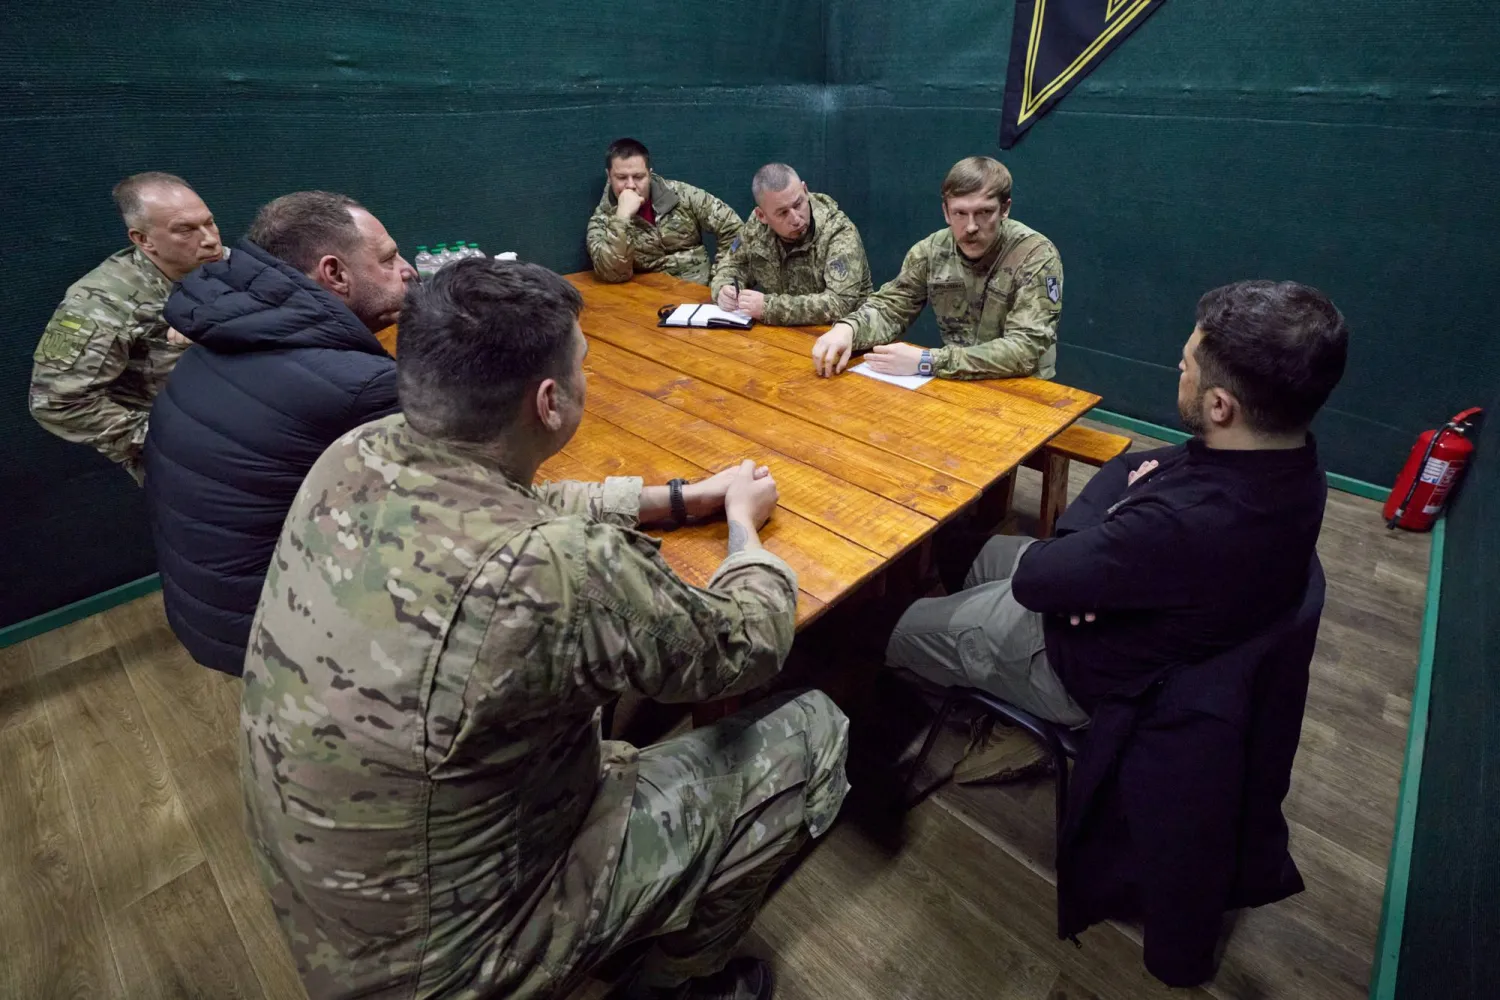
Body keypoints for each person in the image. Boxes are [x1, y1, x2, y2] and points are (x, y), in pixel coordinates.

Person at [240, 258, 850, 1000]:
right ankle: (678, 985)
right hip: (456, 963)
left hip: (336, 910)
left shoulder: (355, 454)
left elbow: (519, 502)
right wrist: (744, 534)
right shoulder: (556, 567)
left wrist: (680, 498)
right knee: (814, 730)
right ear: (550, 402)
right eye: (582, 364)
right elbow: (742, 646)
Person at [882, 280, 1347, 782]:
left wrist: (1098, 541)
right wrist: (1095, 545)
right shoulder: (1290, 463)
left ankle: (979, 694)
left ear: (1220, 406)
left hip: (1074, 663)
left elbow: (1036, 580)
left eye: (1186, 366)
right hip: (1122, 600)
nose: (1179, 370)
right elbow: (1127, 467)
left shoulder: (1185, 520)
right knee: (960, 549)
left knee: (883, 626)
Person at [143, 191, 413, 676]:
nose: (407, 269)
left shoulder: (225, 331)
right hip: (278, 633)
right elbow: (434, 508)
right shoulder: (359, 386)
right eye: (389, 259)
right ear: (334, 274)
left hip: (208, 608)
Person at [29, 172, 224, 482]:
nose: (210, 239)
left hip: (245, 426)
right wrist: (166, 440)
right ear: (143, 240)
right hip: (187, 462)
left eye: (209, 223)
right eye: (185, 230)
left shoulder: (226, 265)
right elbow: (56, 403)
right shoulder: (102, 303)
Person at [810, 156, 1062, 381]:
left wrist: (928, 361)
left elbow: (1024, 349)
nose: (971, 226)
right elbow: (890, 309)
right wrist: (848, 329)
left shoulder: (1035, 255)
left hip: (1021, 386)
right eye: (960, 213)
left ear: (1004, 209)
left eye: (984, 212)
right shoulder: (931, 251)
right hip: (955, 379)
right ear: (946, 212)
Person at [709, 163, 872, 326]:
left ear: (805, 191)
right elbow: (732, 265)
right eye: (783, 213)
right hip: (782, 334)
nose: (795, 219)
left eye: (798, 204)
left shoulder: (838, 232)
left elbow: (839, 304)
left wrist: (769, 308)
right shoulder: (756, 228)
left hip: (843, 333)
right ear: (762, 216)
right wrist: (725, 289)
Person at [586, 137, 743, 286]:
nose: (631, 185)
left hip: (702, 288)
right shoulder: (602, 220)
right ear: (609, 176)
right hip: (652, 296)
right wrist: (622, 217)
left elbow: (734, 228)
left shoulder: (681, 195)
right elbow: (613, 275)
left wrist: (722, 279)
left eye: (639, 177)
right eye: (621, 178)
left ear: (649, 174)